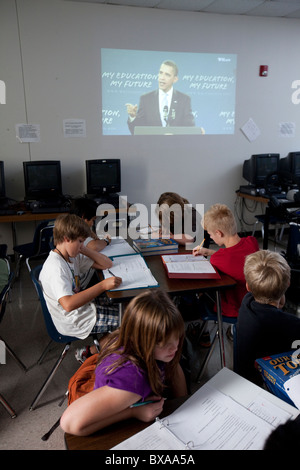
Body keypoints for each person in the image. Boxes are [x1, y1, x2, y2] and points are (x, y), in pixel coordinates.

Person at [60, 288, 187, 436]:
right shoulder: (133, 381)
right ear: (142, 340)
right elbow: (69, 423)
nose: (175, 347)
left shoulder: (136, 338)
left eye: (177, 337)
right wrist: (132, 413)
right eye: (164, 343)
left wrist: (184, 404)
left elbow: (173, 364)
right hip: (116, 416)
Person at [39, 214, 122, 361]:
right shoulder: (56, 267)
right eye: (80, 241)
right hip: (73, 320)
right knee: (132, 321)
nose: (82, 245)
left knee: (127, 308)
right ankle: (90, 352)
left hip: (83, 309)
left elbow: (107, 264)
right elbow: (69, 304)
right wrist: (102, 285)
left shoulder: (71, 257)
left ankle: (98, 348)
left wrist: (84, 249)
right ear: (66, 238)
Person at [236, 249, 300, 385]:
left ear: (248, 287)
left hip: (242, 379)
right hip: (267, 386)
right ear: (288, 284)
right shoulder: (290, 324)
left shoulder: (247, 303)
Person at [192, 203, 259, 319]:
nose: (211, 237)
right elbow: (234, 257)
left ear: (219, 233)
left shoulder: (217, 259)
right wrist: (208, 252)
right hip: (256, 304)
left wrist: (211, 255)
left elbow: (225, 258)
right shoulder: (252, 242)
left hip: (234, 309)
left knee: (199, 294)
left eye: (210, 234)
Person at [126, 60, 196, 135]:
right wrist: (133, 117)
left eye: (167, 75)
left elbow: (189, 128)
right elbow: (137, 131)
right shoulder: (146, 99)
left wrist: (197, 132)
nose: (162, 78)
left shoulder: (184, 99)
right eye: (161, 73)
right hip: (152, 145)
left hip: (176, 145)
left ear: (175, 79)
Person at [71, 197, 112, 288]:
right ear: (83, 217)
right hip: (82, 283)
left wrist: (90, 231)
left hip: (84, 271)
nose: (93, 224)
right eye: (93, 220)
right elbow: (94, 246)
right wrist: (106, 241)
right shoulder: (77, 234)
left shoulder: (73, 225)